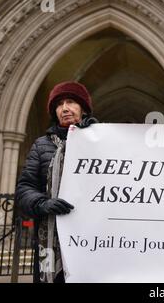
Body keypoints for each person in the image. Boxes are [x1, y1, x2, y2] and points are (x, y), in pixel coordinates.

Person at [15, 81, 98, 283]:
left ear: (83, 108)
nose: (65, 108)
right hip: (49, 240)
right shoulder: (41, 145)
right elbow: (24, 188)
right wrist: (42, 203)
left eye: (71, 102)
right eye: (59, 105)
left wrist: (94, 136)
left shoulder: (99, 139)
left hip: (89, 237)